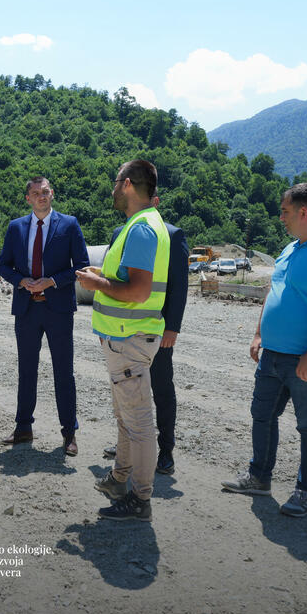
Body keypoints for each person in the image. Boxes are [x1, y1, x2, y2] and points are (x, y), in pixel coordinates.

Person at [221, 183, 307, 517]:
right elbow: (274, 291)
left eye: (284, 211)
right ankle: (259, 476)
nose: (280, 217)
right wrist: (258, 333)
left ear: (304, 212)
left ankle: (306, 492)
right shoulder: (290, 249)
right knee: (262, 415)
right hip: (273, 354)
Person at [76, 160, 170, 522]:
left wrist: (95, 283)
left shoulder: (142, 229)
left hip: (129, 340)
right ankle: (119, 480)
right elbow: (130, 278)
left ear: (128, 184)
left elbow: (138, 290)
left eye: (116, 182)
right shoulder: (142, 226)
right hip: (125, 339)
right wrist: (104, 273)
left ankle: (140, 499)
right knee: (127, 417)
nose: (113, 189)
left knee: (139, 421)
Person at [0, 176, 89, 456]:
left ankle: (69, 433)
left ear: (53, 194)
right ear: (28, 198)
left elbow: (81, 265)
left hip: (58, 308)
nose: (41, 196)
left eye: (45, 192)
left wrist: (51, 281)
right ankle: (23, 427)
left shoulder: (69, 224)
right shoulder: (16, 227)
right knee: (26, 370)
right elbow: (3, 265)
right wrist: (22, 281)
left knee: (64, 372)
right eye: (36, 193)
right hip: (26, 308)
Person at [103, 197, 189, 474]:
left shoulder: (172, 235)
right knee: (125, 392)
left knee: (162, 389)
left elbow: (179, 286)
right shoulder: (120, 233)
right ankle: (127, 445)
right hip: (121, 331)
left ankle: (166, 451)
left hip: (155, 329)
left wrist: (172, 327)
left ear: (155, 201)